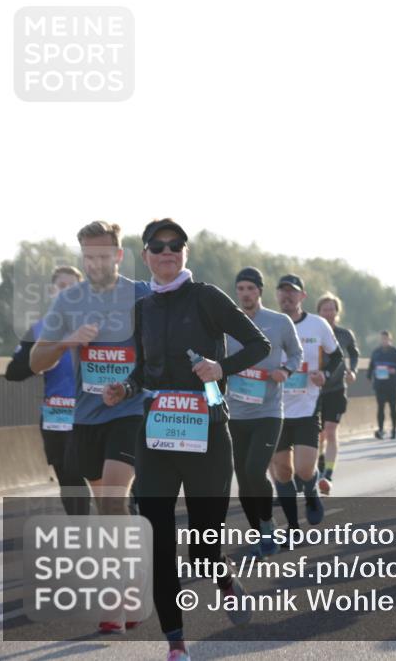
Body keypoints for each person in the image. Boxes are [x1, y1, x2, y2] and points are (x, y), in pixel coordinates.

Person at [103, 219, 270, 660]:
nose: (167, 252)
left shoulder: (207, 297)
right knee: (158, 542)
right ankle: (175, 643)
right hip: (157, 436)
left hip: (208, 433)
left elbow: (259, 346)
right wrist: (124, 386)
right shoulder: (143, 308)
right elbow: (145, 370)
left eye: (175, 245)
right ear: (145, 256)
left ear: (185, 252)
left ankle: (223, 577)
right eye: (157, 247)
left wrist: (221, 368)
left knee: (202, 548)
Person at [30, 221, 151, 633]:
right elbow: (35, 362)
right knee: (108, 508)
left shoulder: (141, 295)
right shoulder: (70, 301)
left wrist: (136, 382)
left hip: (130, 409)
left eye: (104, 255)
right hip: (85, 417)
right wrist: (68, 341)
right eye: (89, 256)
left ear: (119, 255)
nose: (96, 263)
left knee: (115, 499)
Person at [225, 267, 302, 557]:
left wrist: (284, 369)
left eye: (250, 289)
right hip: (235, 411)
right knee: (243, 478)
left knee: (256, 470)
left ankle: (268, 523)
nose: (245, 294)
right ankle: (262, 535)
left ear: (260, 291)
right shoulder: (227, 324)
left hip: (269, 411)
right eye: (241, 289)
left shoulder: (279, 322)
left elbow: (296, 354)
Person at [6, 265, 91, 516]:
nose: (66, 292)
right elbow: (13, 372)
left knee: (105, 477)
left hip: (92, 413)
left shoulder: (98, 326)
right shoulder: (39, 330)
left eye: (73, 287)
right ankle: (82, 534)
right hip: (56, 417)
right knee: (69, 478)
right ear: (52, 291)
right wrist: (42, 360)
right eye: (61, 287)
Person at [270, 276, 342, 534]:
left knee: (303, 469)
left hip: (306, 407)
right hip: (274, 409)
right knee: (282, 470)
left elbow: (337, 357)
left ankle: (311, 492)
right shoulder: (269, 324)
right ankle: (291, 526)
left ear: (303, 296)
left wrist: (325, 374)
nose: (287, 296)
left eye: (293, 292)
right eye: (283, 291)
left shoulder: (317, 325)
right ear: (277, 295)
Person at [314, 293, 359, 494]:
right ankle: (320, 468)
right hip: (313, 390)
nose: (328, 313)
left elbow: (354, 353)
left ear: (337, 312)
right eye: (325, 309)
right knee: (319, 435)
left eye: (332, 309)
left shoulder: (344, 334)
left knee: (331, 431)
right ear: (319, 312)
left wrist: (353, 370)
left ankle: (328, 475)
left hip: (337, 389)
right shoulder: (311, 331)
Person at [367, 330, 396, 439]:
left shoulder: (395, 351)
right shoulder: (376, 352)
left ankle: (393, 430)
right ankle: (381, 430)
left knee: (393, 408)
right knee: (380, 408)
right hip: (379, 385)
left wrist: (395, 370)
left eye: (386, 339)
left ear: (390, 340)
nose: (384, 341)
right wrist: (369, 377)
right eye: (382, 339)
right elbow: (371, 366)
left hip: (392, 384)